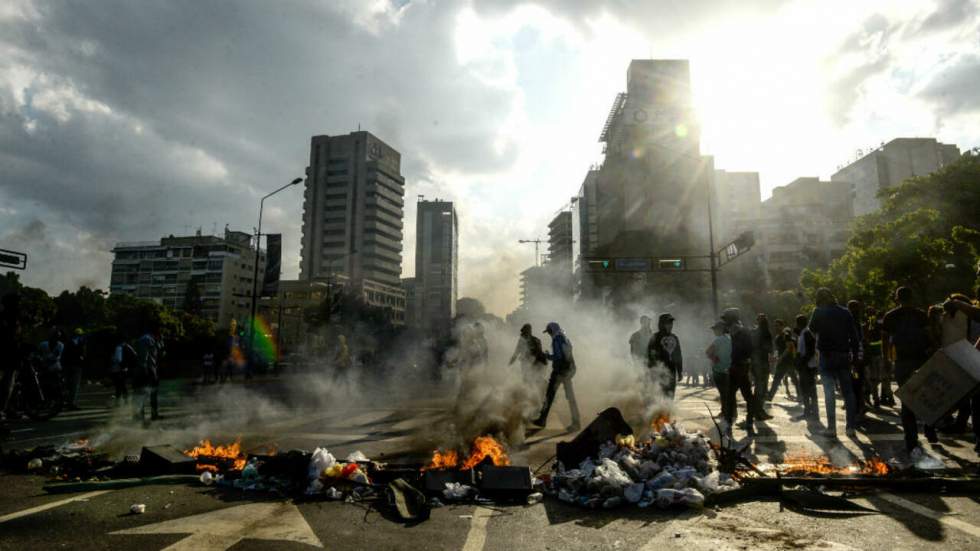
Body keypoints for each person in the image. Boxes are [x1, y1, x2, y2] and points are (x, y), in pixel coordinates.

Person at [882, 286, 937, 456]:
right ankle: (930, 429)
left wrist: (886, 360)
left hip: (903, 362)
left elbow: (885, 340)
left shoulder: (890, 316)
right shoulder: (920, 314)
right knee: (926, 396)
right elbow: (930, 336)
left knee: (907, 401)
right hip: (922, 360)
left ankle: (911, 441)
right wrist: (935, 350)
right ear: (912, 297)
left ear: (897, 298)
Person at [808, 288, 861, 439]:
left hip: (826, 355)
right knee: (848, 392)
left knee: (829, 393)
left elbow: (811, 330)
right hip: (843, 355)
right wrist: (855, 357)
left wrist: (821, 336)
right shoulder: (845, 312)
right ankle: (850, 427)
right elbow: (854, 337)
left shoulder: (818, 311)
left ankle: (831, 428)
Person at [721, 308, 770, 436]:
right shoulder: (741, 330)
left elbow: (743, 350)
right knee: (746, 395)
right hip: (742, 366)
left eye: (726, 319)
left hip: (738, 366)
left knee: (732, 395)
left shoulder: (737, 331)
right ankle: (748, 419)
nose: (725, 322)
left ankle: (730, 421)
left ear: (731, 319)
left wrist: (736, 362)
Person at [531, 322, 581, 431]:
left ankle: (542, 420)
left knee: (549, 395)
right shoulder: (564, 338)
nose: (548, 334)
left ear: (552, 331)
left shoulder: (556, 340)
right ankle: (576, 422)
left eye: (549, 331)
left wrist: (547, 355)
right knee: (570, 397)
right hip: (568, 370)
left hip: (560, 371)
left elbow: (558, 356)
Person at [706, 320, 733, 436]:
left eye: (715, 329)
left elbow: (707, 352)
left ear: (721, 329)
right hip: (729, 370)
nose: (714, 331)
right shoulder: (730, 339)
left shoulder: (718, 340)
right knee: (727, 393)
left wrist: (714, 358)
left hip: (719, 370)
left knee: (723, 393)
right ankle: (725, 412)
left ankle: (726, 414)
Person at [648, 313, 683, 399]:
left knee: (670, 394)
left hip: (672, 371)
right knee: (659, 394)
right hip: (658, 371)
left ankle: (668, 411)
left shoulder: (675, 338)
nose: (670, 326)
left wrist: (680, 371)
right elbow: (650, 355)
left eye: (671, 323)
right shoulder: (655, 337)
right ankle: (658, 411)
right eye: (668, 323)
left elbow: (678, 355)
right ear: (662, 324)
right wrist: (651, 370)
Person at [793, 314, 819, 422]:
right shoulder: (804, 333)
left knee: (809, 390)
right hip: (806, 366)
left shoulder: (806, 333)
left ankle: (812, 412)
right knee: (806, 390)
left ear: (798, 323)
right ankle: (808, 411)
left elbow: (810, 350)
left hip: (807, 367)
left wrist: (802, 363)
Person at [134, 326, 162, 422]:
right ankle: (146, 415)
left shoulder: (147, 339)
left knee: (145, 393)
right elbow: (144, 357)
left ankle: (144, 415)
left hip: (147, 369)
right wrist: (145, 369)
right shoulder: (147, 339)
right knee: (148, 393)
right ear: (157, 333)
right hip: (148, 370)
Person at [767, 319, 799, 402]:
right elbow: (778, 350)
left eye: (777, 326)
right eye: (775, 326)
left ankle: (801, 395)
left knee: (792, 379)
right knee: (778, 379)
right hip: (783, 362)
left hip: (788, 361)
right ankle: (770, 396)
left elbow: (789, 347)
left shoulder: (786, 335)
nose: (776, 327)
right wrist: (774, 357)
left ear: (782, 326)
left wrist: (781, 357)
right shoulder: (777, 337)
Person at [847, 300, 868, 421]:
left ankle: (858, 408)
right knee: (858, 383)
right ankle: (861, 406)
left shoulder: (850, 323)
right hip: (859, 359)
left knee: (854, 383)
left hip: (853, 360)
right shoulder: (859, 323)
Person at [751, 314, 773, 406]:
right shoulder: (766, 332)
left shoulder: (755, 331)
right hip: (762, 360)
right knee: (762, 381)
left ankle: (758, 400)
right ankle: (760, 400)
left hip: (757, 360)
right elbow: (770, 348)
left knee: (759, 381)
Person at [109, 338, 135, 406]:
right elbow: (134, 355)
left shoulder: (119, 347)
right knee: (122, 386)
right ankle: (125, 401)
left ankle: (120, 402)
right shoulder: (128, 346)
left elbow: (118, 359)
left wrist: (121, 367)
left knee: (119, 386)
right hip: (124, 368)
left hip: (118, 369)